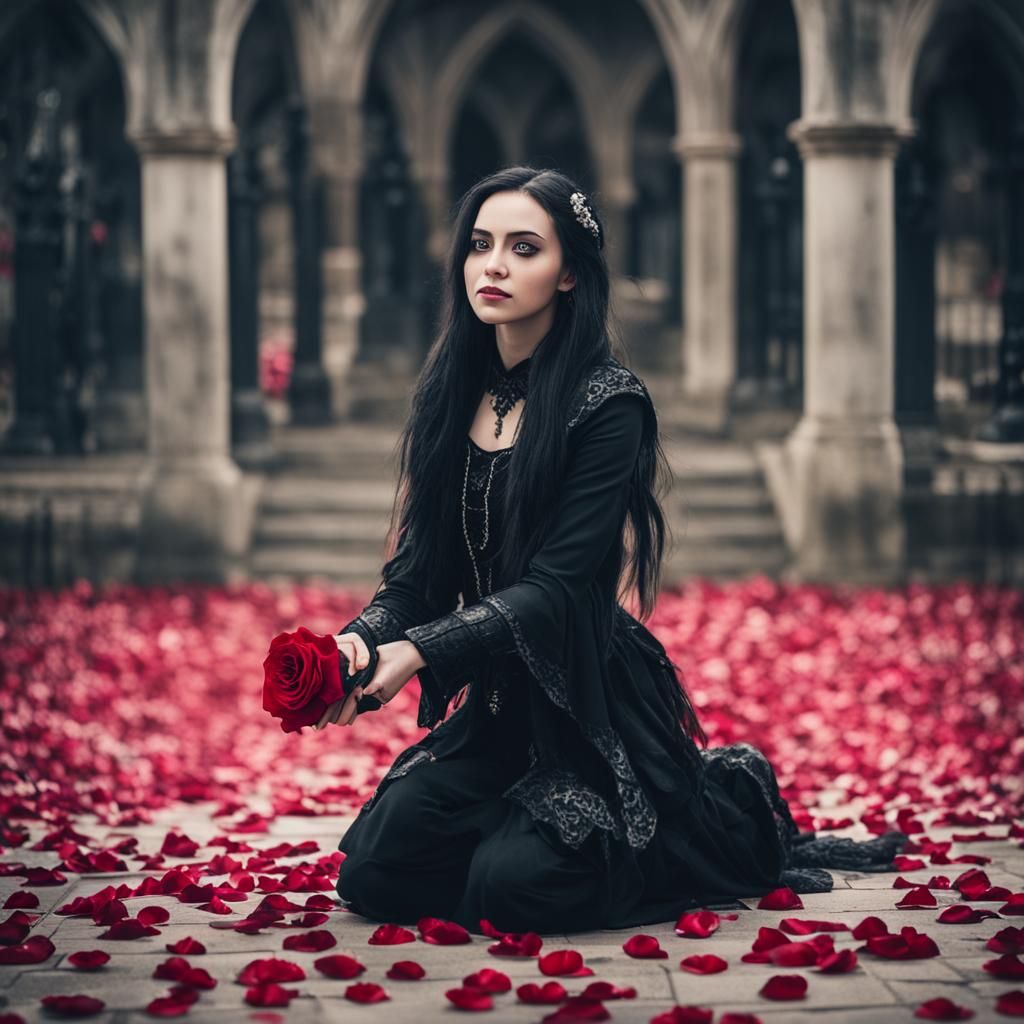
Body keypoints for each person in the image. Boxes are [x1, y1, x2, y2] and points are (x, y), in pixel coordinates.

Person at [317, 166, 906, 936]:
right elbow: (419, 573)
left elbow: (556, 587)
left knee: (516, 891)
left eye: (523, 248)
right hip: (496, 712)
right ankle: (504, 829)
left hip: (586, 702)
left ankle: (713, 807)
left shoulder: (609, 402)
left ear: (568, 274)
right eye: (480, 245)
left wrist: (421, 654)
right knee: (375, 872)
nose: (492, 265)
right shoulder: (447, 392)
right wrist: (358, 645)